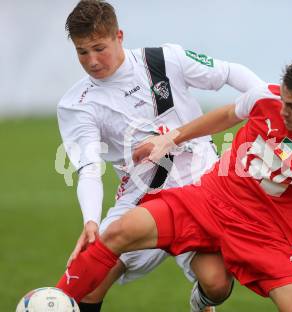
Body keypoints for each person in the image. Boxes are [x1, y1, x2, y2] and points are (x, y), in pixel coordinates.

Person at [56, 53, 292, 311]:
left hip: (262, 233)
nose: (283, 111)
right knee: (117, 232)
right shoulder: (267, 98)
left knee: (288, 304)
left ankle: (202, 301)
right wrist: (172, 138)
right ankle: (57, 301)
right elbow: (225, 116)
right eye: (283, 101)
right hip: (211, 199)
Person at [57, 0, 265, 311]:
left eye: (99, 48)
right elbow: (89, 168)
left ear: (119, 36)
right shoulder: (77, 104)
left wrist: (270, 105)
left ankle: (201, 303)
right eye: (82, 52)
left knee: (217, 284)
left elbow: (229, 73)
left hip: (202, 188)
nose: (92, 60)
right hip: (142, 196)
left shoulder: (163, 59)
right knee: (91, 277)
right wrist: (91, 221)